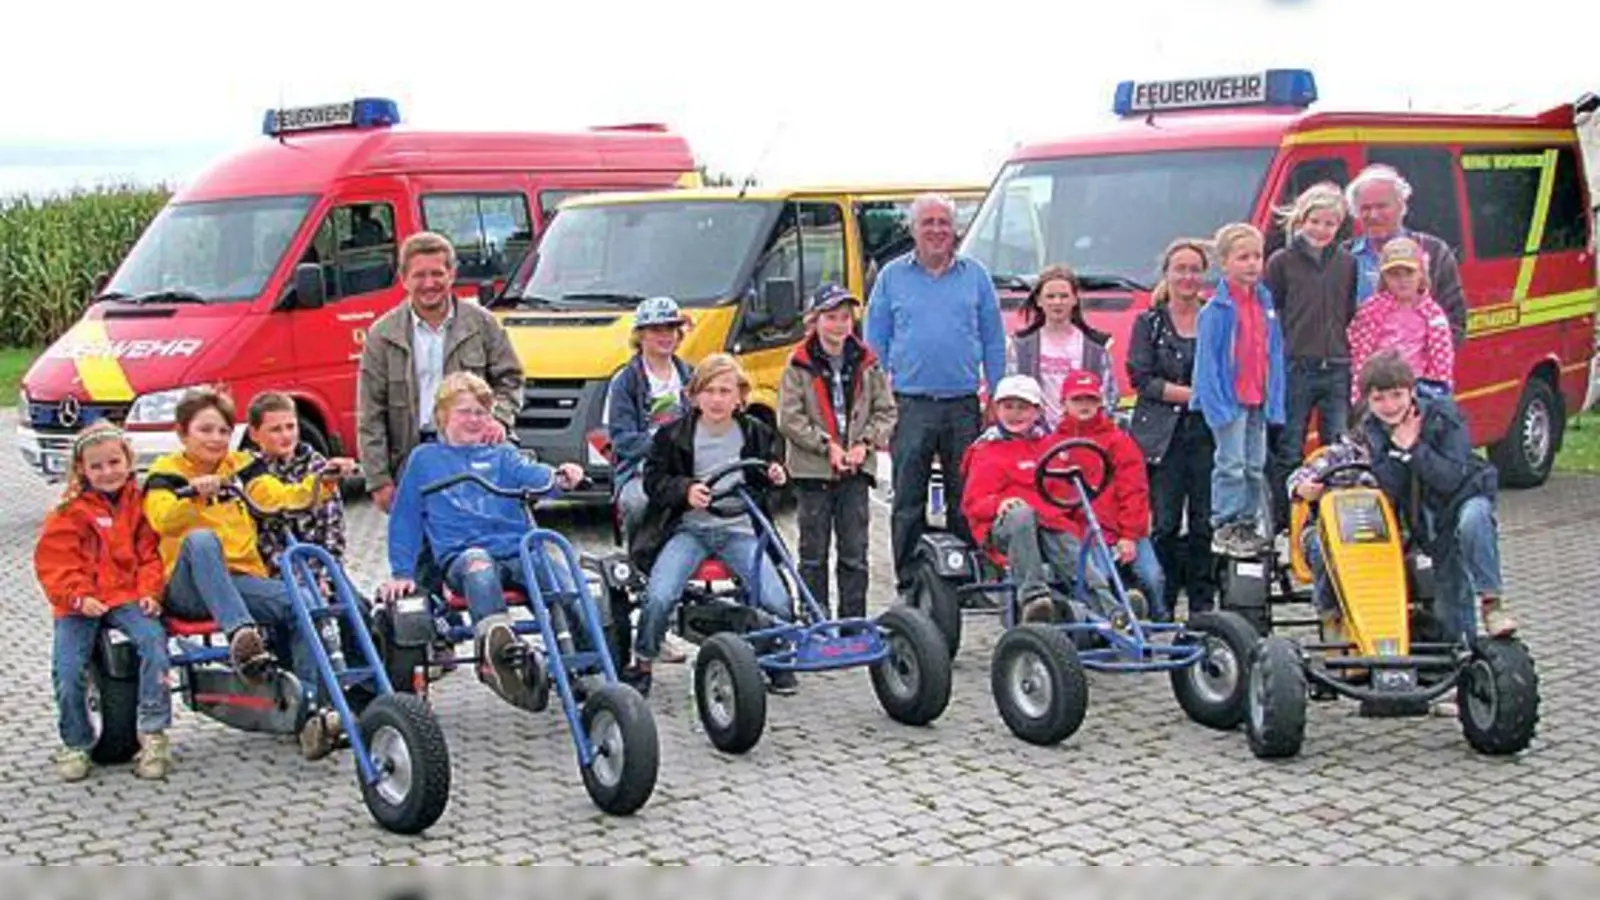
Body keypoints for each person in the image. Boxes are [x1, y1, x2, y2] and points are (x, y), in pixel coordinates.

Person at [143, 388, 355, 760]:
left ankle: (309, 714)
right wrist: (194, 495)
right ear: (183, 434)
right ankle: (243, 635)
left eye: (223, 431)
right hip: (188, 588)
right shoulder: (165, 474)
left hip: (239, 582)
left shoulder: (241, 466)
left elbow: (279, 497)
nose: (215, 439)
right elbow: (161, 519)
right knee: (203, 541)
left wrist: (324, 480)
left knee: (303, 604)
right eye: (205, 430)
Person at [378, 373, 585, 710]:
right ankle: (495, 654)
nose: (473, 420)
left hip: (515, 551)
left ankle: (584, 655)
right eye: (464, 412)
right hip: (462, 557)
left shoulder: (501, 454)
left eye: (480, 412)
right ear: (443, 416)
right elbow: (406, 520)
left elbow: (536, 477)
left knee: (552, 567)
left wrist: (563, 476)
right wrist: (402, 572)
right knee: (479, 564)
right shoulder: (425, 459)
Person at [1289, 350, 1517, 653]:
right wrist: (1303, 487)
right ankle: (1337, 621)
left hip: (1459, 499)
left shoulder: (1442, 415)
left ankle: (1491, 603)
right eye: (1379, 399)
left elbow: (1450, 477)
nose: (1389, 406)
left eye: (1396, 396)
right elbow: (1390, 485)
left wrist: (1412, 447)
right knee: (1447, 593)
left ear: (1411, 392)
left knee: (1472, 523)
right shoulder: (1365, 440)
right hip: (1401, 524)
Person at [625, 354, 794, 696]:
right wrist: (685, 491)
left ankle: (774, 658)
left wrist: (776, 474)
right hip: (689, 529)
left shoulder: (756, 432)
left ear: (740, 396)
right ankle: (643, 659)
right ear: (694, 396)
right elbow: (654, 483)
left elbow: (769, 473)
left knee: (778, 602)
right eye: (709, 391)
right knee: (659, 596)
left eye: (725, 391)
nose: (717, 399)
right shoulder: (673, 436)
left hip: (741, 528)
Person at [865, 192, 1007, 591]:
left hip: (964, 404)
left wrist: (996, 394)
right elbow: (874, 343)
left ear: (955, 229)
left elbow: (994, 340)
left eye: (943, 223)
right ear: (913, 230)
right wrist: (879, 401)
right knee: (909, 497)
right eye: (928, 223)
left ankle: (968, 580)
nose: (936, 230)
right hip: (909, 405)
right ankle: (911, 580)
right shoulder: (892, 278)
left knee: (968, 497)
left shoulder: (975, 276)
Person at [34, 422, 172, 781]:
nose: (107, 472)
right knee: (68, 670)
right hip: (80, 604)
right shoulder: (69, 512)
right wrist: (79, 597)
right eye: (97, 467)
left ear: (128, 461)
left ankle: (153, 733)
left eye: (114, 462)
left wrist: (149, 592)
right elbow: (56, 563)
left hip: (126, 595)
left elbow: (150, 555)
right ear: (82, 469)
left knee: (154, 645)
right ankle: (76, 743)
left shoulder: (138, 505)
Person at [357, 231, 524, 513]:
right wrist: (378, 480)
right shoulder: (382, 335)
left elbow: (511, 380)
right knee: (421, 550)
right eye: (419, 275)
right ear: (404, 278)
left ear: (452, 274)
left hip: (474, 455)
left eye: (437, 273)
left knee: (478, 542)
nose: (429, 283)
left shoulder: (482, 324)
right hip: (412, 460)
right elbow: (370, 412)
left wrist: (498, 420)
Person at [777, 284, 897, 620]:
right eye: (831, 318)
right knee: (813, 552)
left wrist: (865, 444)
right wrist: (825, 445)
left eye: (845, 318)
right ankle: (814, 616)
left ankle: (853, 620)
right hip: (813, 470)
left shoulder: (867, 362)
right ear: (814, 321)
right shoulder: (798, 364)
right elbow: (789, 418)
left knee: (855, 552)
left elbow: (886, 410)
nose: (839, 325)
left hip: (855, 470)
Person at [960, 375, 1106, 624]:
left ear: (1037, 411)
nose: (1015, 414)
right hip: (1004, 529)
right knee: (1022, 514)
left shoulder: (1049, 447)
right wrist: (1000, 504)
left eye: (1023, 407)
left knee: (1066, 542)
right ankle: (1033, 599)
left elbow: (1062, 496)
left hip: (1047, 524)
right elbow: (973, 503)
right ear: (995, 409)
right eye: (1008, 406)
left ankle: (1111, 608)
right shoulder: (985, 451)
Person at [1264, 182, 1360, 534]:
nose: (1322, 230)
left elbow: (1348, 309)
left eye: (1330, 224)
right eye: (1315, 222)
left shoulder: (1347, 262)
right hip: (1296, 366)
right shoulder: (1281, 262)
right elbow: (1273, 311)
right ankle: (1287, 522)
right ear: (1301, 220)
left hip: (1336, 365)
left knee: (1337, 444)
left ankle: (1332, 518)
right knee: (1290, 445)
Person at [1128, 239, 1216, 615]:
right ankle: (1161, 604)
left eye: (1194, 269)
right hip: (1162, 435)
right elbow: (1140, 377)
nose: (1188, 276)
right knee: (1164, 522)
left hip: (1207, 433)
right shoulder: (1149, 323)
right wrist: (1190, 395)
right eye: (1180, 269)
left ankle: (1202, 605)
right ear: (1167, 273)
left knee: (1204, 522)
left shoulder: (1215, 317)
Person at [1191, 223, 1287, 557]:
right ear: (1225, 262)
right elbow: (1207, 364)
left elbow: (1273, 352)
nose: (1251, 264)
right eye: (1243, 257)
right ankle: (1227, 521)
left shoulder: (1265, 304)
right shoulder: (1215, 311)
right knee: (1230, 463)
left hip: (1258, 398)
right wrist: (1216, 406)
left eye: (1257, 257)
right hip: (1229, 401)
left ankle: (1248, 521)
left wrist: (1275, 399)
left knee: (1254, 464)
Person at [1053, 371, 1167, 620]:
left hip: (1121, 529)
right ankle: (1112, 621)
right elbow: (1054, 499)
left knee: (1152, 576)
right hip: (1084, 535)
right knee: (1100, 578)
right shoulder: (1054, 446)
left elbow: (1134, 491)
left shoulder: (1119, 442)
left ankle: (1160, 621)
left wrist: (1128, 535)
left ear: (1100, 403)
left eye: (1090, 400)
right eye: (1077, 400)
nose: (1084, 406)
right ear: (1064, 404)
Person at [604, 296, 695, 543]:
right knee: (637, 504)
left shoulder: (692, 377)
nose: (666, 336)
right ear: (641, 335)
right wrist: (664, 445)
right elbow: (622, 441)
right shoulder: (625, 381)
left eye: (672, 329)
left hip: (686, 470)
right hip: (639, 471)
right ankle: (638, 562)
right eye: (656, 329)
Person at [1345, 164, 1467, 344]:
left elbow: (1455, 320)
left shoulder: (1434, 251)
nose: (1373, 215)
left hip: (1416, 369)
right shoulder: (1342, 257)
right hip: (1357, 368)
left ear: (1402, 206)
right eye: (1365, 208)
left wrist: (1422, 362)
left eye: (1382, 206)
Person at [1004, 264, 1118, 428]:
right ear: (1039, 301)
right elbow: (1012, 393)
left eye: (1064, 296)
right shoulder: (1019, 347)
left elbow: (1108, 396)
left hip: (1082, 434)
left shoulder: (1096, 347)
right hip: (1035, 436)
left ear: (1075, 299)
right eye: (1050, 296)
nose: (1057, 302)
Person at [1347, 237, 1455, 404]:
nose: (1402, 280)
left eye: (1409, 273)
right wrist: (1358, 401)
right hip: (1379, 394)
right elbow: (1359, 357)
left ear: (1421, 273)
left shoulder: (1433, 314)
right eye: (1394, 274)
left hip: (1417, 394)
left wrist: (1439, 402)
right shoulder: (1372, 309)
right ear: (1383, 277)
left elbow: (1442, 363)